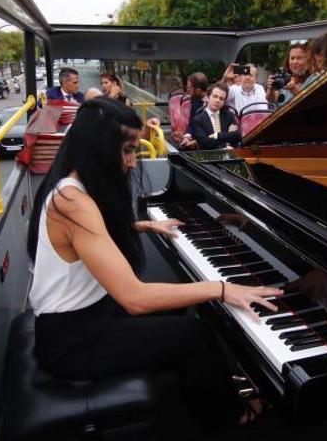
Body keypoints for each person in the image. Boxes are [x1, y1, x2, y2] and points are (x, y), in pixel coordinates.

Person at [27, 97, 279, 428]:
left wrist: (143, 224)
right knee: (194, 332)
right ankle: (231, 417)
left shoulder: (70, 186)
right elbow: (134, 299)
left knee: (177, 308)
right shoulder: (73, 202)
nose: (133, 162)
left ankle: (195, 393)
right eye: (128, 149)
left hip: (85, 319)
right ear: (99, 147)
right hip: (73, 342)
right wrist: (221, 288)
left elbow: (86, 239)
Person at [191, 83, 241, 150]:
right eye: (215, 96)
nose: (217, 100)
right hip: (211, 156)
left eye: (221, 99)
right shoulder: (198, 120)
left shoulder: (229, 116)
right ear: (207, 97)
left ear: (224, 102)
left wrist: (217, 135)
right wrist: (226, 138)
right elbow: (205, 143)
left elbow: (237, 136)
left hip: (231, 153)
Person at [177, 72, 209, 148]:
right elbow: (192, 123)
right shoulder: (195, 100)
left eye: (189, 88)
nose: (187, 90)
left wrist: (197, 141)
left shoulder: (212, 104)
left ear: (198, 90)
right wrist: (187, 136)